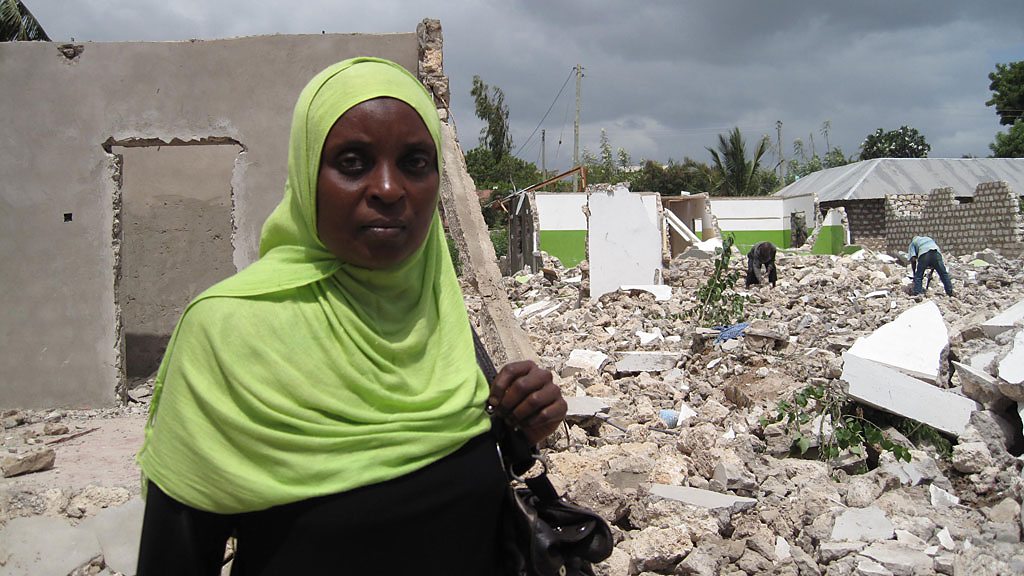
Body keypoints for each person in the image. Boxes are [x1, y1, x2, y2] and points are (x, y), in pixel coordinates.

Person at [135, 57, 567, 575]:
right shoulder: (226, 333)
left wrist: (521, 426)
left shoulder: (438, 313)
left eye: (415, 163)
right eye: (353, 162)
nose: (388, 189)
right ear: (306, 176)